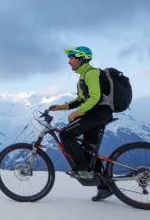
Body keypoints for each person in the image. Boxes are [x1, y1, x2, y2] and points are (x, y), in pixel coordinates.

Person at [48, 46, 114, 202]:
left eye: (71, 58)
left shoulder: (91, 74)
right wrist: (63, 107)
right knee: (89, 150)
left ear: (81, 58)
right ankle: (105, 188)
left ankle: (82, 169)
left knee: (65, 134)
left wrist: (77, 112)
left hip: (98, 113)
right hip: (97, 113)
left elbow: (95, 98)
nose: (69, 61)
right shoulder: (84, 76)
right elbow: (81, 99)